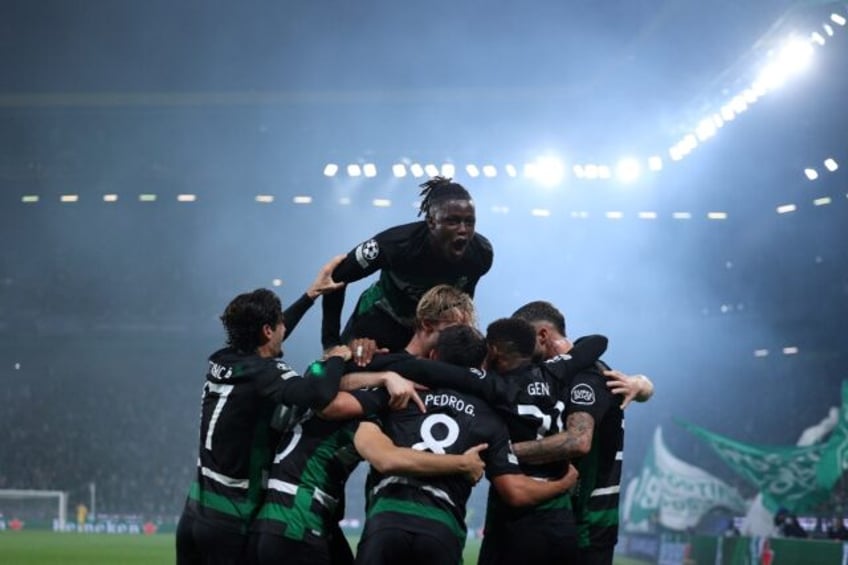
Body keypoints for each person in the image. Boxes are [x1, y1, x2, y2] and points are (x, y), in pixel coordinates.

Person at [248, 284, 485, 565]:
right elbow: (325, 400)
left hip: (314, 515)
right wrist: (380, 376)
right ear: (427, 325)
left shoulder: (387, 366)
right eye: (456, 329)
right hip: (296, 510)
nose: (461, 338)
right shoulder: (385, 368)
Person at [353, 324, 580, 565]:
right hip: (442, 530)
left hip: (386, 522)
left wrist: (373, 368)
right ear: (482, 364)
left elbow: (380, 453)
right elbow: (515, 491)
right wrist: (563, 483)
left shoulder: (399, 395)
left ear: (433, 356)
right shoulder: (491, 419)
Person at [175, 285, 353, 565]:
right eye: (279, 323)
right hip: (232, 521)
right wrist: (335, 360)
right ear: (268, 330)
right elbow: (319, 394)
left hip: (193, 516)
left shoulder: (223, 359)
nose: (285, 327)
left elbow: (266, 345)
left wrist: (310, 296)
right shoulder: (265, 375)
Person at [510, 300, 654, 565]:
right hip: (562, 520)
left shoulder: (587, 375)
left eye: (522, 340)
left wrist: (506, 453)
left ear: (542, 335)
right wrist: (644, 385)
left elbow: (578, 441)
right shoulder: (554, 378)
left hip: (587, 524)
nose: (518, 350)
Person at [321, 176, 493, 352]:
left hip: (425, 330)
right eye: (452, 221)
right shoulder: (393, 245)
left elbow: (463, 299)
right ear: (432, 222)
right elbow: (337, 276)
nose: (463, 230)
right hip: (379, 318)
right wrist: (331, 343)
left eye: (469, 222)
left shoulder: (481, 253)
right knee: (348, 366)